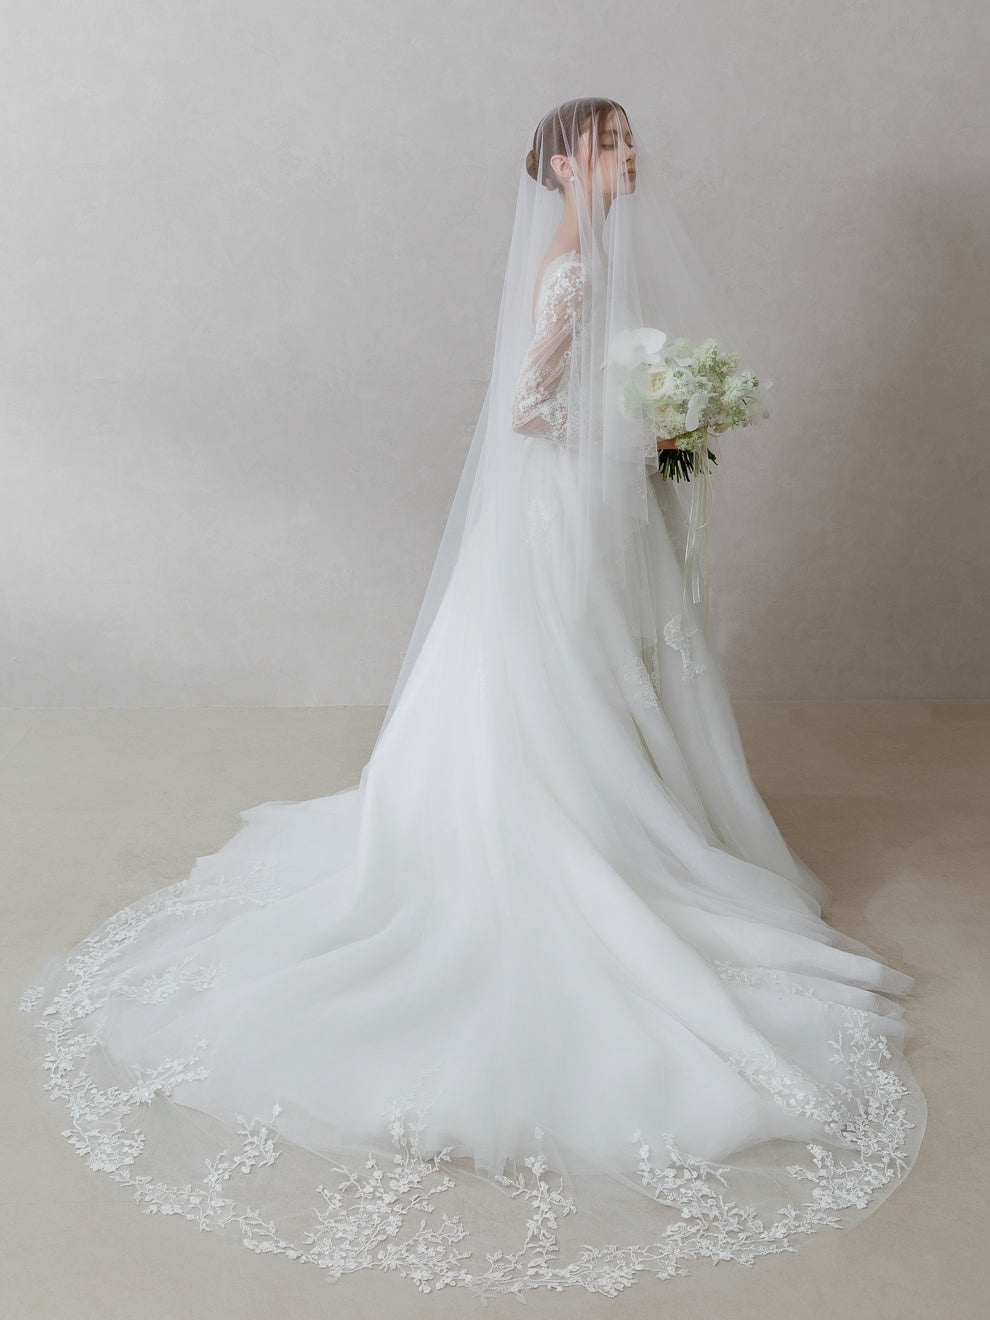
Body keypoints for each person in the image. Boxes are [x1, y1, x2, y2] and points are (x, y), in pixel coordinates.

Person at [15, 98, 927, 1302]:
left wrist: (661, 424)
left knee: (588, 683)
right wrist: (644, 423)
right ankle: (560, 828)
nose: (631, 155)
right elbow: (529, 411)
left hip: (581, 507)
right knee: (557, 683)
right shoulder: (569, 270)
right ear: (565, 163)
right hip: (562, 509)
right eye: (609, 143)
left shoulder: (589, 264)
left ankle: (597, 806)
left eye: (630, 139)